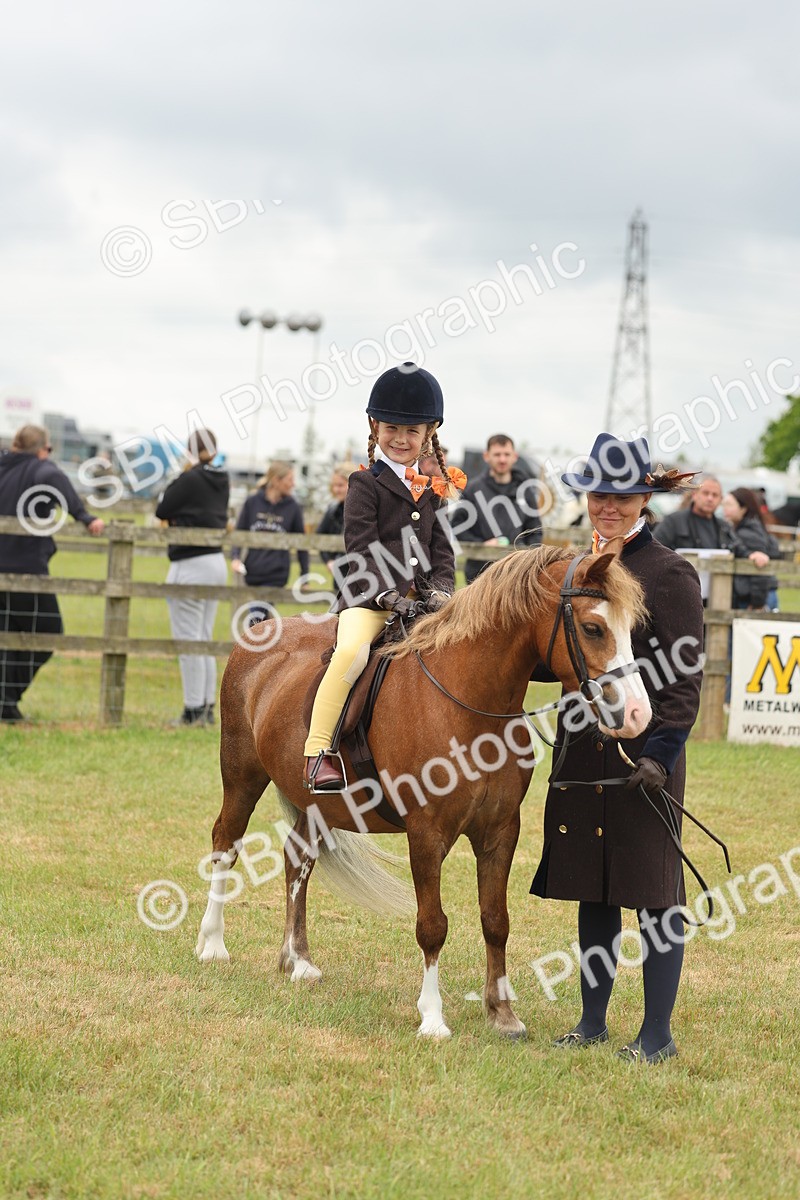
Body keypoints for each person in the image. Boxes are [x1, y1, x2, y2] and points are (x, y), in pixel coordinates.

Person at [529, 433, 704, 1064]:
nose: (609, 505)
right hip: (583, 747)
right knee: (594, 888)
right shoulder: (576, 571)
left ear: (643, 499)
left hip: (645, 758)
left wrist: (661, 752)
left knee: (655, 893)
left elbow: (686, 680)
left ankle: (657, 1032)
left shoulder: (671, 573)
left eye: (623, 495)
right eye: (600, 494)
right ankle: (592, 1019)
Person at [303, 362, 463, 792]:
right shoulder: (363, 484)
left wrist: (443, 593)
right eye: (392, 428)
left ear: (428, 434)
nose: (401, 439)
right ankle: (320, 752)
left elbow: (442, 552)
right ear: (375, 427)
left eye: (412, 432)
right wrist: (389, 597)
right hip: (368, 600)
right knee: (353, 652)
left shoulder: (433, 490)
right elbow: (359, 549)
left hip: (425, 605)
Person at [0, 424, 105, 722]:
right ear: (43, 450)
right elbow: (53, 477)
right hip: (26, 571)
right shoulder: (39, 469)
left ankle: (5, 702)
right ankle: (6, 698)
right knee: (48, 633)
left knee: (6, 637)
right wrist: (84, 516)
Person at [155, 429, 230, 726]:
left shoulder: (190, 478)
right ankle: (207, 706)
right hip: (214, 561)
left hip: (189, 562)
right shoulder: (222, 478)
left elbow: (163, 507)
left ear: (190, 449)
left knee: (189, 642)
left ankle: (192, 708)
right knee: (204, 638)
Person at [456, 434, 542, 583]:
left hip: (515, 574)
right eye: (497, 454)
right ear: (486, 456)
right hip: (479, 573)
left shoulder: (525, 490)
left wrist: (524, 556)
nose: (502, 459)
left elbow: (536, 530)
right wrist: (481, 545)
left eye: (506, 454)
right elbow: (457, 526)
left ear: (514, 456)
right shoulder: (473, 489)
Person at [231, 462, 309, 590]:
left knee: (259, 608)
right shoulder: (252, 502)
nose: (293, 484)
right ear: (276, 480)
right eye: (289, 480)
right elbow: (239, 531)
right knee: (259, 609)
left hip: (277, 574)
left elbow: (301, 543)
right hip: (253, 571)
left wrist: (304, 576)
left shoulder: (293, 507)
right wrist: (235, 557)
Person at [721, 487, 780, 612]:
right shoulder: (747, 528)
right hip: (756, 595)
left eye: (729, 504)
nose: (724, 508)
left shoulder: (748, 533)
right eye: (724, 504)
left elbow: (760, 567)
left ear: (743, 508)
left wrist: (757, 604)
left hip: (754, 599)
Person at [315, 463, 355, 570]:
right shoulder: (333, 510)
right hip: (340, 571)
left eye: (340, 485)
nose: (336, 489)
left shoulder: (366, 509)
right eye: (333, 485)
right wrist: (328, 560)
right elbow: (320, 535)